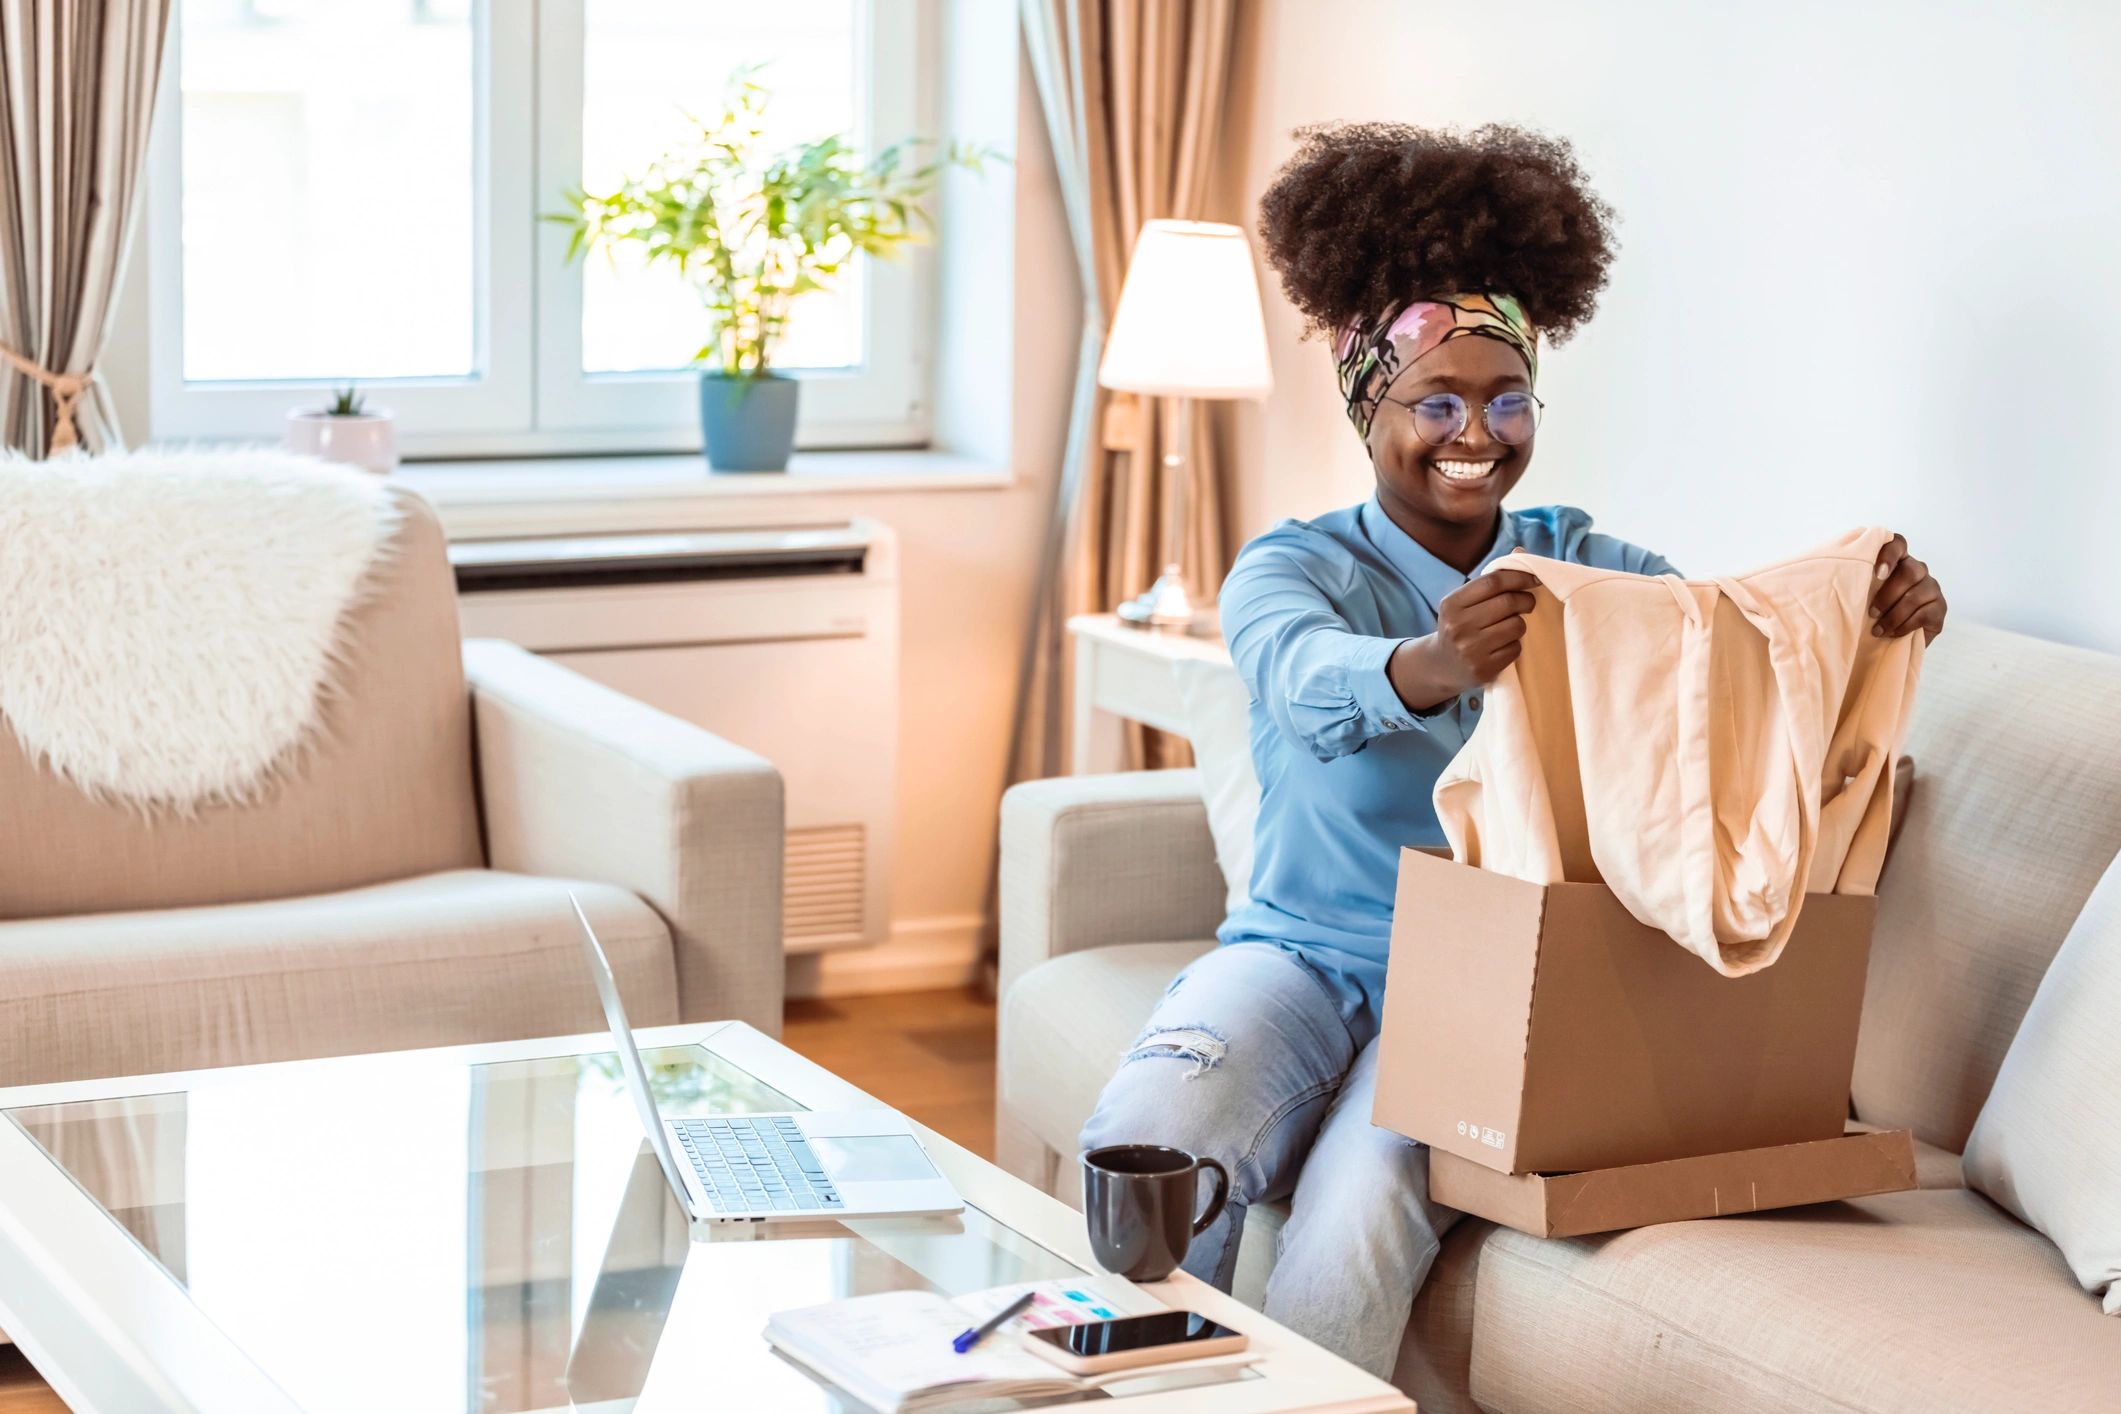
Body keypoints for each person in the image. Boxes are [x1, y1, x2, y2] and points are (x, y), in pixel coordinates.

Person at [1076, 121, 1948, 1378]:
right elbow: (1295, 674)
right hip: (1297, 955)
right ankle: (1139, 1398)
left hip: (1488, 993)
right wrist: (1429, 665)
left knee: (1362, 1211)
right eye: (1435, 400)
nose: (1472, 431)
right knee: (1153, 1127)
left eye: (1504, 399)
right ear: (1370, 407)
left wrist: (1869, 607)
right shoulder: (1293, 566)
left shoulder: (1580, 558)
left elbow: (1729, 642)